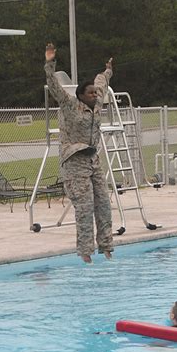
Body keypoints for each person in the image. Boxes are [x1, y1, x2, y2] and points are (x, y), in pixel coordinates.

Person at [44, 43, 114, 263]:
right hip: (74, 162)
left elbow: (102, 81)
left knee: (103, 203)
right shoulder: (69, 104)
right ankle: (86, 253)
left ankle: (107, 247)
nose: (95, 95)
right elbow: (54, 86)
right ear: (81, 95)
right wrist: (49, 63)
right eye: (91, 93)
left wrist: (108, 70)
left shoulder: (97, 103)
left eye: (95, 93)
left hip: (93, 160)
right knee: (84, 207)